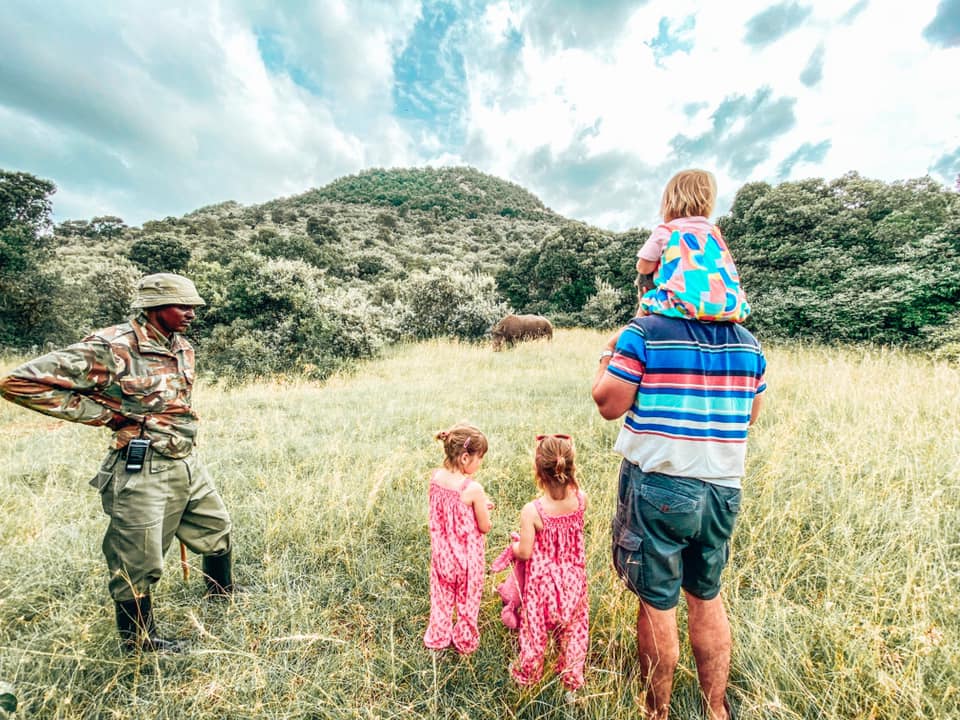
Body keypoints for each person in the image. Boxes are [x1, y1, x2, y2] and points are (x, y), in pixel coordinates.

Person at [0, 273, 240, 654]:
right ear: (155, 307)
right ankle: (141, 644)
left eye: (193, 305)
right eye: (183, 305)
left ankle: (222, 596)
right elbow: (19, 382)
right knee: (137, 558)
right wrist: (104, 416)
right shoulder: (111, 347)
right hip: (142, 468)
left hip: (185, 459)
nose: (191, 312)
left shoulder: (181, 346)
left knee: (216, 528)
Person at [591, 315, 766, 720]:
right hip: (722, 490)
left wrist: (607, 352)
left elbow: (607, 403)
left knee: (658, 604)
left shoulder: (645, 332)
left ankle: (658, 712)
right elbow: (749, 414)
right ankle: (715, 710)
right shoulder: (747, 342)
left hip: (661, 487)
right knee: (706, 597)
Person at [507, 434, 589, 693]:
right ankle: (571, 681)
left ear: (538, 471)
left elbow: (526, 552)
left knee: (534, 633)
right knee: (575, 631)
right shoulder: (580, 500)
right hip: (574, 582)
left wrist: (513, 546)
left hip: (542, 586)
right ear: (570, 467)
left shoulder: (533, 510)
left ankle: (528, 677)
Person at [635, 169, 750, 324]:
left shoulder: (667, 231)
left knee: (647, 300)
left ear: (669, 202)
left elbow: (644, 268)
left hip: (683, 305)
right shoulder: (714, 234)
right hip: (731, 306)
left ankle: (630, 333)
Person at [423, 423, 492, 654]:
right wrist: (484, 510)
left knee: (441, 599)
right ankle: (464, 640)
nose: (480, 463)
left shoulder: (435, 478)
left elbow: (445, 512)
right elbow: (484, 526)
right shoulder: (473, 489)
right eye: (479, 457)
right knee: (467, 602)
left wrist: (477, 507)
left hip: (442, 556)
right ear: (465, 457)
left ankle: (438, 638)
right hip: (466, 561)